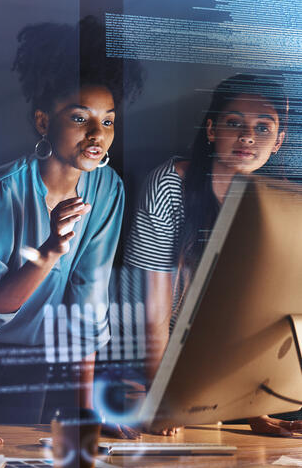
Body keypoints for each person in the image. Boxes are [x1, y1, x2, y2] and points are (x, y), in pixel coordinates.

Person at [0, 17, 144, 435]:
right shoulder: (2, 189)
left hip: (34, 356)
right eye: (79, 118)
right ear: (42, 123)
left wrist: (86, 411)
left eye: (108, 121)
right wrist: (51, 249)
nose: (97, 134)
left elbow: (90, 299)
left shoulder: (107, 189)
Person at [124, 73, 302, 436]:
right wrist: (164, 400)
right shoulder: (170, 184)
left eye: (263, 128)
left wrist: (255, 407)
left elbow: (253, 315)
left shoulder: (278, 203)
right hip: (145, 366)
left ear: (279, 141)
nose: (248, 136)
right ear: (210, 130)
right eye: (234, 123)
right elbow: (151, 313)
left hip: (217, 378)